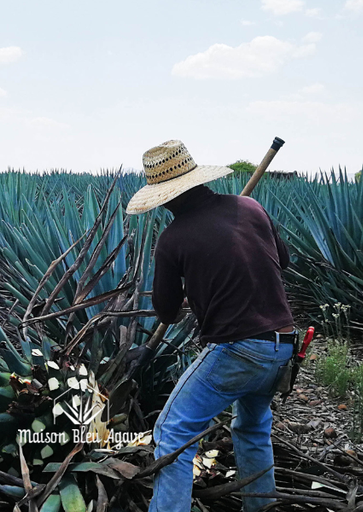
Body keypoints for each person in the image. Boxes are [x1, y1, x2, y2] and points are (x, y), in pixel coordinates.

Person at [125, 140, 297, 512]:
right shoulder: (249, 207)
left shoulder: (173, 239)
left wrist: (187, 289)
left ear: (166, 197)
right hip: (283, 344)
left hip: (239, 349)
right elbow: (280, 262)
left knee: (173, 433)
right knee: (252, 430)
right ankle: (261, 508)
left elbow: (167, 313)